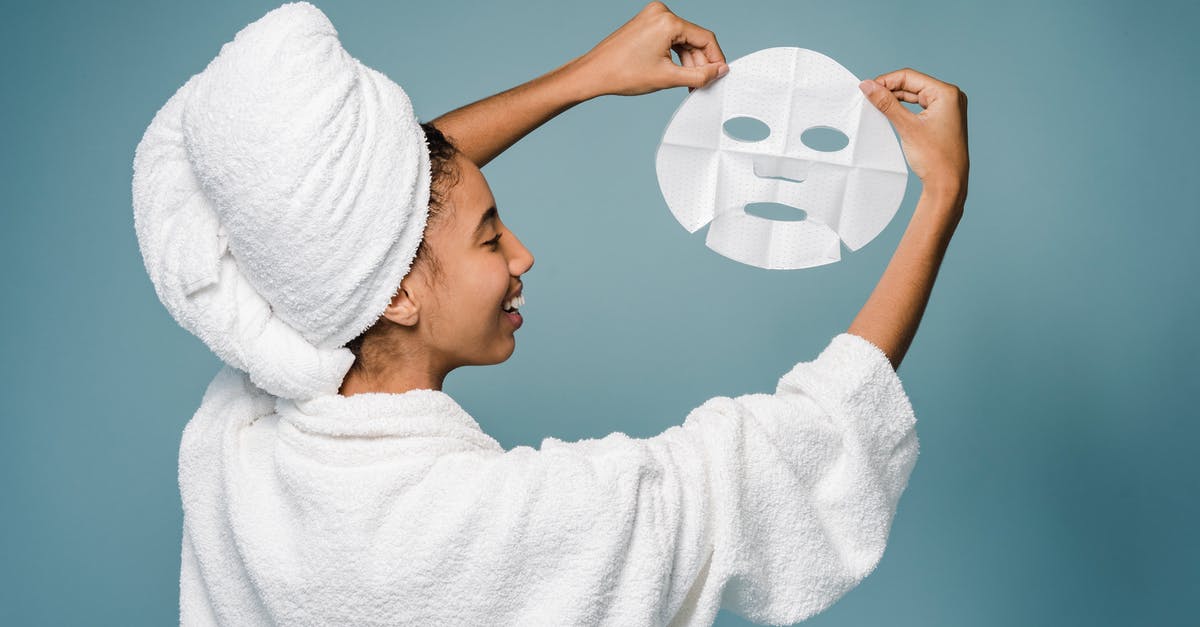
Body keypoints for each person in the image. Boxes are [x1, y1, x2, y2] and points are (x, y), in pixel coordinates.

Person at [133, 2, 967, 625]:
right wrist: (939, 197)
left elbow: (351, 220)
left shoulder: (248, 428)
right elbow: (776, 458)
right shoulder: (479, 527)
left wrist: (587, 75)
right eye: (492, 236)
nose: (522, 255)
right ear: (396, 293)